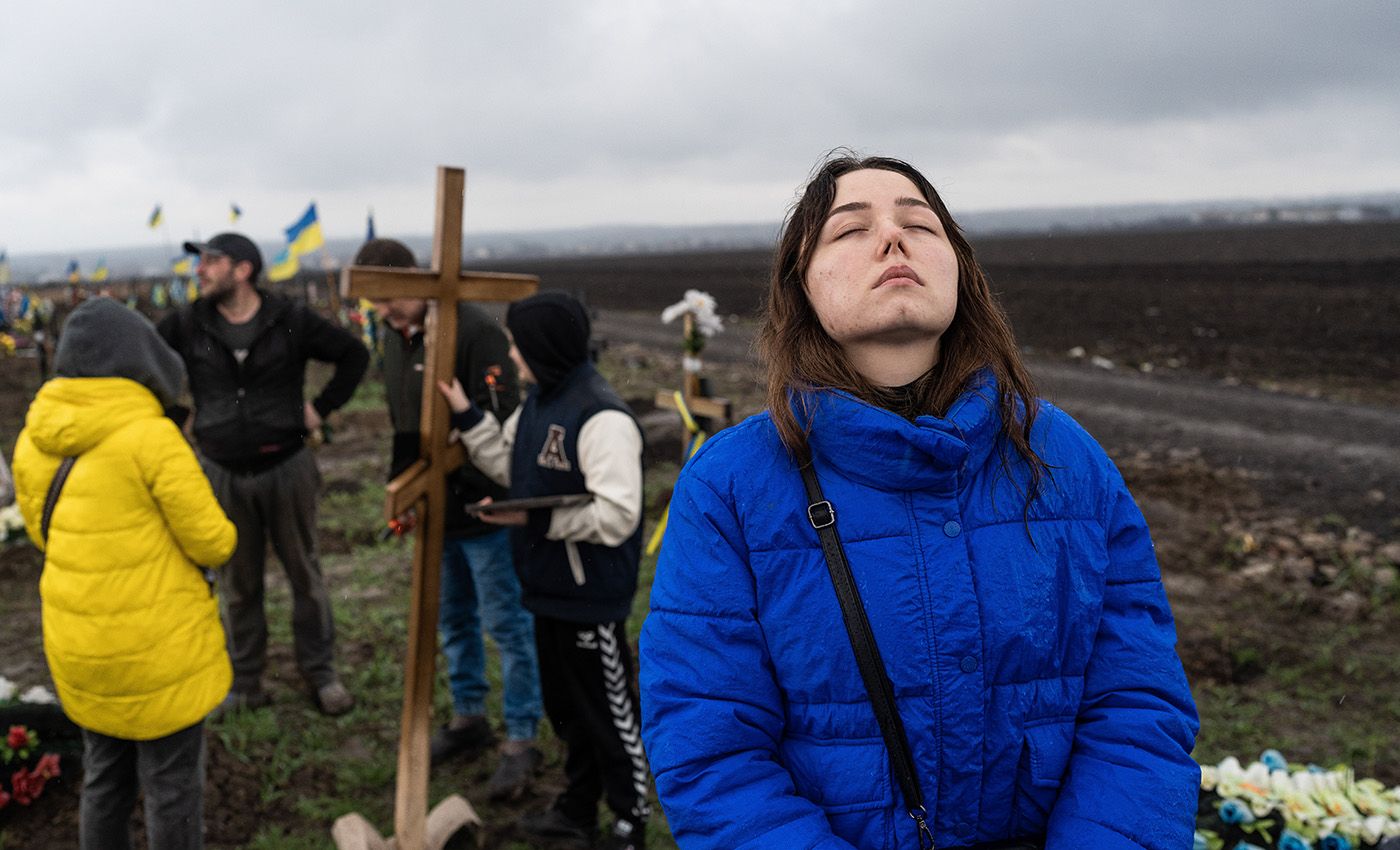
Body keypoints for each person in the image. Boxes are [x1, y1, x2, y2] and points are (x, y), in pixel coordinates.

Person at [638, 154, 1200, 850]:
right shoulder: (730, 487)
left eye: (919, 223)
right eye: (850, 230)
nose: (893, 239)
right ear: (800, 285)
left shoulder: (1064, 458)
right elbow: (711, 750)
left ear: (959, 269)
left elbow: (1137, 707)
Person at [13, 297, 237, 849]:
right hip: (157, 650)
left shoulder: (33, 438)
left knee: (104, 776)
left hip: (80, 646)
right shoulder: (150, 438)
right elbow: (213, 543)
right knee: (171, 787)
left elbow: (46, 535)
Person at [436, 291, 651, 850]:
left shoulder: (600, 415)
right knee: (569, 714)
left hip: (590, 598)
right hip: (546, 591)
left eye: (517, 342)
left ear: (543, 345)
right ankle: (577, 811)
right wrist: (466, 413)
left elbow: (619, 512)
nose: (509, 354)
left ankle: (630, 823)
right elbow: (510, 463)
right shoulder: (537, 403)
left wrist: (538, 521)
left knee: (608, 715)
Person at [352, 238, 544, 800]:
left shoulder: (475, 331)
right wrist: (405, 493)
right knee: (452, 619)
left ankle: (522, 736)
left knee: (506, 623)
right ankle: (469, 718)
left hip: (484, 509)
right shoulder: (392, 338)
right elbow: (403, 424)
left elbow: (504, 422)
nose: (383, 310)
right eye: (376, 302)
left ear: (413, 278)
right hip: (435, 511)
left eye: (388, 296)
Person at [156, 232, 369, 717]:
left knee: (305, 575)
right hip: (222, 471)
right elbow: (142, 364)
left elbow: (353, 355)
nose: (201, 271)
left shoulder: (288, 319)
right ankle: (245, 681)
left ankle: (321, 674)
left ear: (243, 269)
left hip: (286, 465)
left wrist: (320, 409)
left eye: (211, 261)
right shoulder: (188, 324)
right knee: (238, 582)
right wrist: (180, 416)